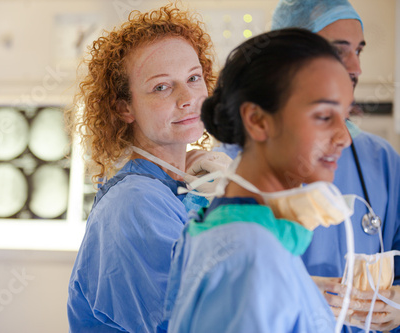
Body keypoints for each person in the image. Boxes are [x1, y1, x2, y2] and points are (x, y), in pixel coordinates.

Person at [162, 28, 354, 333]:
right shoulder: (251, 255)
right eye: (323, 116)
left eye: (345, 116)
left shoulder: (233, 232)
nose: (344, 137)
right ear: (258, 120)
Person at [66, 3, 222, 332]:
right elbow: (205, 321)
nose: (187, 98)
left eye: (193, 78)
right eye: (161, 87)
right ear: (124, 107)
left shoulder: (176, 187)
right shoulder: (136, 203)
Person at [270, 1, 400, 331]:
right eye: (338, 50)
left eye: (359, 50)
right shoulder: (239, 162)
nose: (355, 67)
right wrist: (291, 292)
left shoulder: (380, 159)